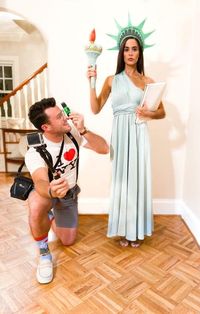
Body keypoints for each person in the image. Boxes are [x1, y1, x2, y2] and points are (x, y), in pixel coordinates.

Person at [87, 18, 166, 248]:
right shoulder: (112, 80)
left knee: (137, 180)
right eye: (127, 49)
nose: (130, 53)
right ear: (121, 53)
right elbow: (95, 108)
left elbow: (162, 112)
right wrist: (91, 82)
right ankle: (123, 229)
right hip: (121, 134)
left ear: (140, 53)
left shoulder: (147, 81)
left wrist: (148, 114)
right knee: (122, 181)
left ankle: (136, 230)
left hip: (139, 133)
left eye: (134, 49)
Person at [25, 97, 109, 284]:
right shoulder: (35, 150)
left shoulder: (72, 134)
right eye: (58, 117)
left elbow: (104, 148)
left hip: (68, 194)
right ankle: (44, 253)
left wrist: (83, 130)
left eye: (62, 113)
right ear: (46, 127)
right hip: (47, 193)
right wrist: (51, 191)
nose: (65, 118)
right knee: (38, 204)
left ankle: (50, 218)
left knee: (68, 240)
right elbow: (39, 181)